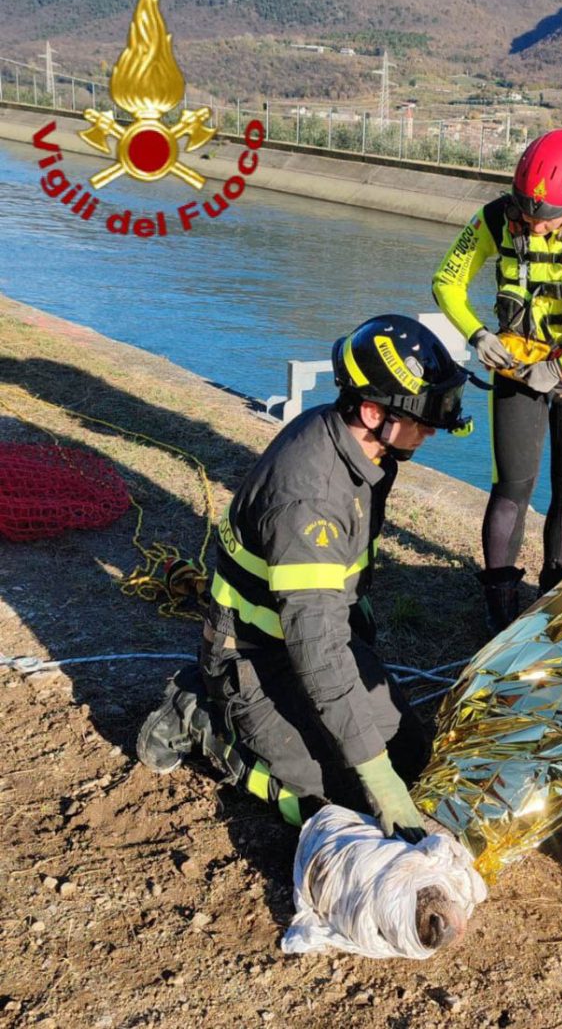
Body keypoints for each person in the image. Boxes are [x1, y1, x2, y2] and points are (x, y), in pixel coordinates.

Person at [137, 314, 481, 842]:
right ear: (372, 411)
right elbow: (317, 651)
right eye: (423, 416)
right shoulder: (309, 499)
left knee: (412, 760)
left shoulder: (357, 441)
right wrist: (378, 783)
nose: (432, 429)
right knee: (345, 802)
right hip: (252, 655)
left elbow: (326, 618)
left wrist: (355, 616)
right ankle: (202, 719)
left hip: (312, 632)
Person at [432, 128, 562, 633]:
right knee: (511, 491)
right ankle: (499, 608)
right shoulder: (495, 218)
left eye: (545, 219)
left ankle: (553, 597)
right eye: (526, 214)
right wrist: (478, 335)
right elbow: (447, 281)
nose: (533, 226)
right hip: (517, 371)